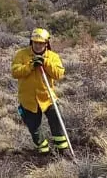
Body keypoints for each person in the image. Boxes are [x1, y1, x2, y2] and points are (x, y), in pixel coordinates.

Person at [11, 28, 69, 156]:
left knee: (57, 122)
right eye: (35, 42)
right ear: (31, 42)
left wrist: (45, 62)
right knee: (34, 128)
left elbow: (59, 74)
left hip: (47, 97)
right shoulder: (21, 54)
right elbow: (15, 72)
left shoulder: (52, 56)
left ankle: (63, 150)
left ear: (46, 43)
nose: (38, 45)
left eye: (41, 43)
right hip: (28, 99)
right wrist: (31, 66)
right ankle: (44, 151)